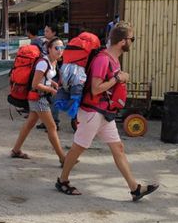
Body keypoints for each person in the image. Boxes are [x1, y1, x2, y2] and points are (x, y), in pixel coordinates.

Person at [56, 22, 159, 201]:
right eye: (131, 39)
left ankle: (135, 189)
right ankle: (62, 180)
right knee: (77, 148)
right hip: (92, 112)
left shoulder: (113, 59)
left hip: (105, 112)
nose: (132, 42)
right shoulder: (103, 59)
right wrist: (118, 78)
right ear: (122, 41)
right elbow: (96, 89)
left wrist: (118, 78)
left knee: (118, 148)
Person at [10, 37, 67, 165]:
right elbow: (35, 84)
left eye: (62, 48)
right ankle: (63, 158)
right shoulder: (43, 63)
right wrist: (51, 90)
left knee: (29, 124)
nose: (60, 51)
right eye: (57, 48)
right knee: (52, 126)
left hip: (39, 97)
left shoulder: (53, 62)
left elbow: (44, 77)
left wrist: (52, 83)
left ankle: (16, 150)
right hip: (38, 98)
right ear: (49, 49)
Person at [37, 23, 61, 131]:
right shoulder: (47, 43)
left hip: (52, 75)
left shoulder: (55, 45)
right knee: (45, 100)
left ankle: (54, 122)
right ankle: (46, 122)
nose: (45, 33)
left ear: (54, 33)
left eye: (47, 31)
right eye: (45, 30)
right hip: (48, 75)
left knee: (53, 100)